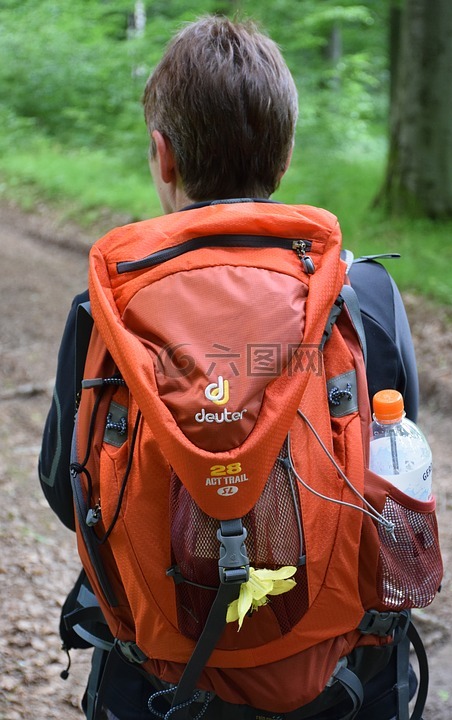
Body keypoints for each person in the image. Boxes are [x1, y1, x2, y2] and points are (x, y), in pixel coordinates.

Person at [39, 15, 419, 720]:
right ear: (284, 157)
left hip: (160, 681)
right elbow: (397, 469)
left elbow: (68, 493)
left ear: (164, 156)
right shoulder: (359, 295)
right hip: (336, 677)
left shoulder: (108, 314)